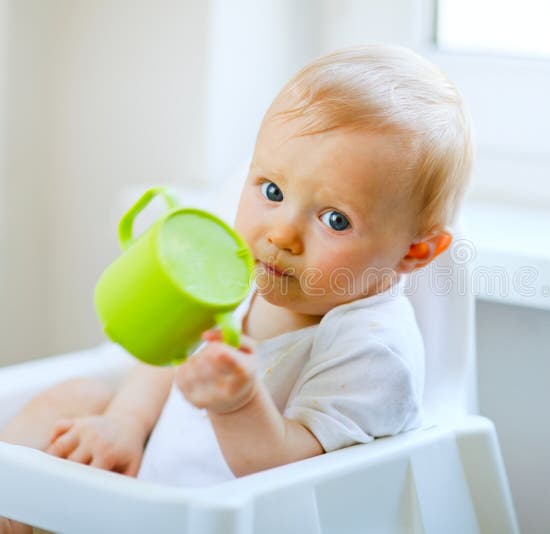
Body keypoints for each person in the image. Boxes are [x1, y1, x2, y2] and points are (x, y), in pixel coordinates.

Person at [0, 43, 472, 533]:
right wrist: (125, 424)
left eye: (335, 220)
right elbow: (172, 363)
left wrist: (238, 404)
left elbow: (294, 483)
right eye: (272, 191)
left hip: (233, 522)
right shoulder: (252, 273)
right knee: (74, 398)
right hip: (150, 493)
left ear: (413, 253)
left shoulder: (372, 351)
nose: (281, 235)